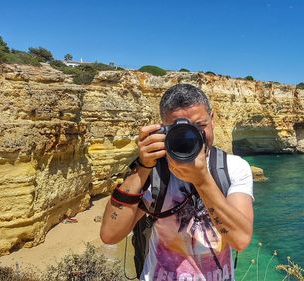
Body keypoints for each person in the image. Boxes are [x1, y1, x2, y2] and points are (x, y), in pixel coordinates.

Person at [100, 84, 254, 281]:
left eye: (200, 126)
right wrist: (142, 167)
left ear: (212, 119)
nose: (193, 136)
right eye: (181, 130)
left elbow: (240, 240)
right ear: (164, 129)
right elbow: (110, 235)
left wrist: (202, 180)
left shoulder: (233, 168)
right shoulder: (154, 172)